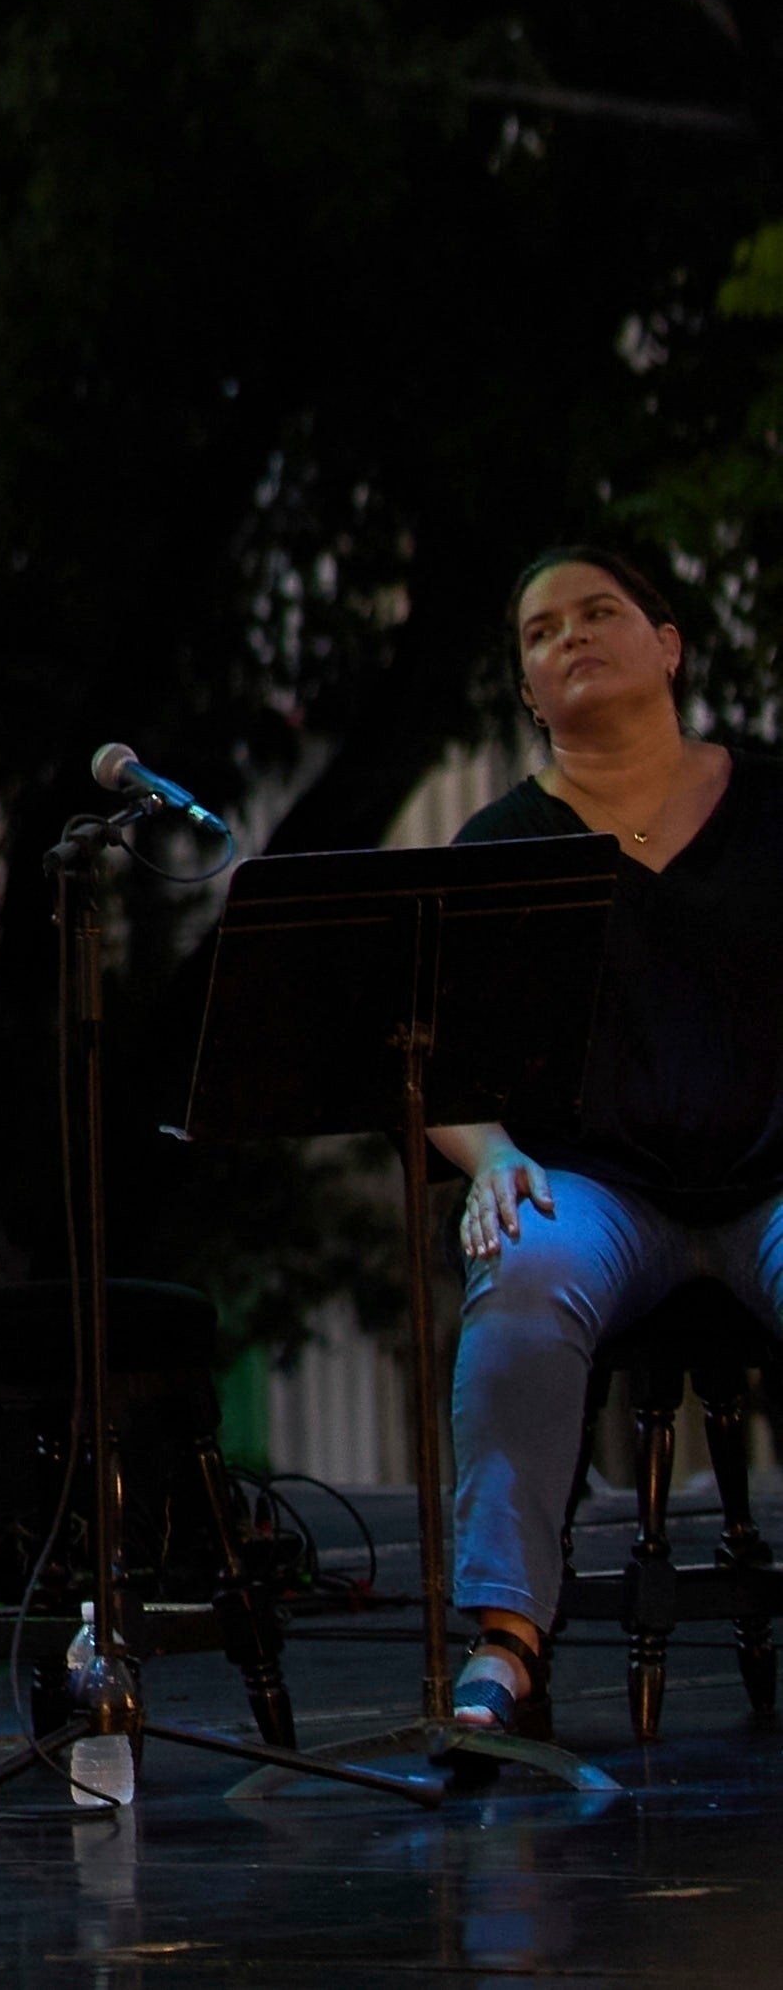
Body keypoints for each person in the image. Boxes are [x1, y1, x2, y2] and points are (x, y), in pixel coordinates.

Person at [430, 533, 783, 1752]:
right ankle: (506, 1638)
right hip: (597, 1188)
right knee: (522, 1265)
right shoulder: (500, 842)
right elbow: (432, 1056)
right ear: (531, 693)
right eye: (541, 632)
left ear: (668, 643)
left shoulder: (771, 803)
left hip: (771, 1180)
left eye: (596, 611)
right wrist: (492, 1159)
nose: (569, 635)